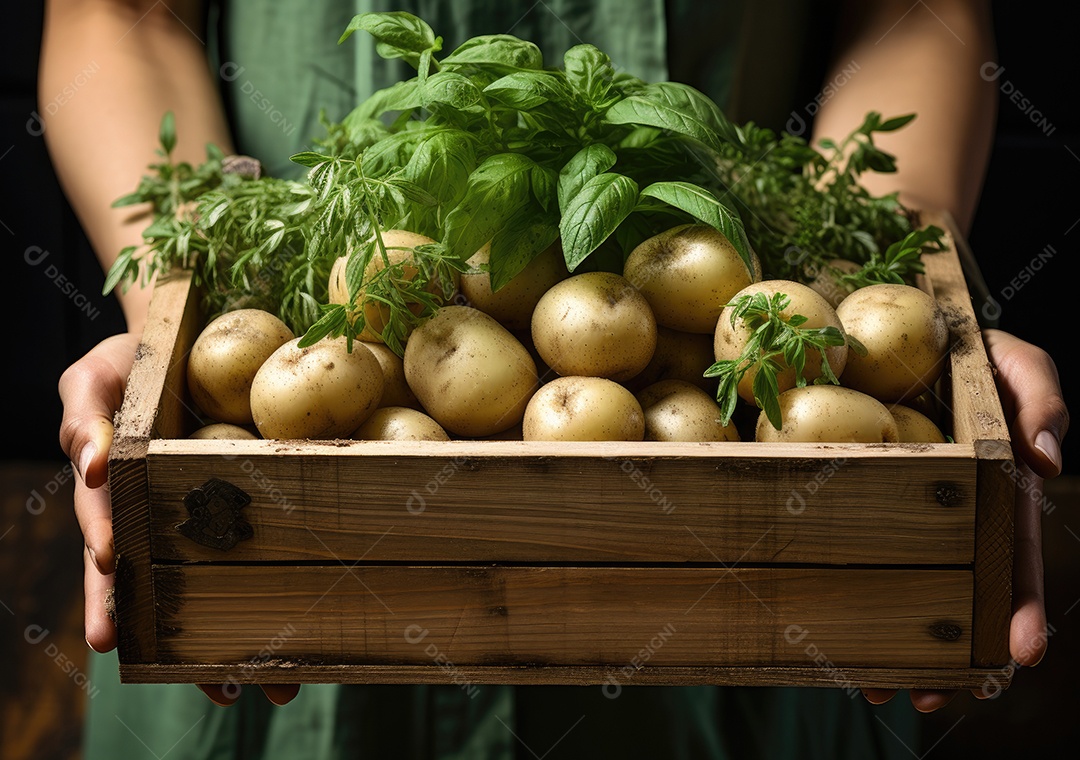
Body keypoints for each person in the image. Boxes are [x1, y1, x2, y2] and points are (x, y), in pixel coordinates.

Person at [43, 0, 1068, 757]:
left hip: (753, 565)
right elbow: (121, 14)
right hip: (293, 541)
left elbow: (910, 15)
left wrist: (912, 310)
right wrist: (173, 320)